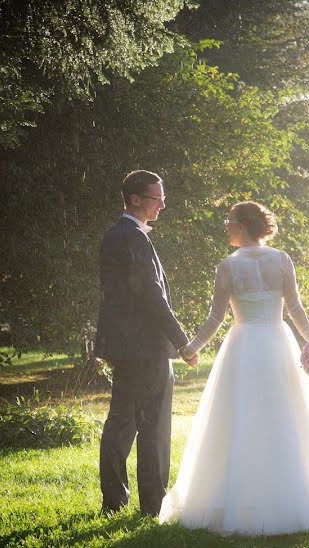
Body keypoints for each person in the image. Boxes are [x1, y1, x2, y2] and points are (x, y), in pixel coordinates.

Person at [159, 201, 309, 535]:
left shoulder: (227, 267)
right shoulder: (281, 260)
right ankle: (290, 499)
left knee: (240, 418)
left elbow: (216, 318)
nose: (226, 225)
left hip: (244, 346)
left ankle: (236, 498)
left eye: (230, 220)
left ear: (243, 225)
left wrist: (191, 348)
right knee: (284, 417)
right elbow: (294, 308)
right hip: (279, 343)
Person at [94, 170, 199, 517]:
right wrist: (182, 341)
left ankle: (115, 501)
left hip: (126, 348)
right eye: (157, 198)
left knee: (121, 424)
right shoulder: (132, 238)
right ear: (135, 199)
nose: (163, 204)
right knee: (152, 428)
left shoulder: (116, 235)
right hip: (146, 348)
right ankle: (153, 505)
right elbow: (152, 296)